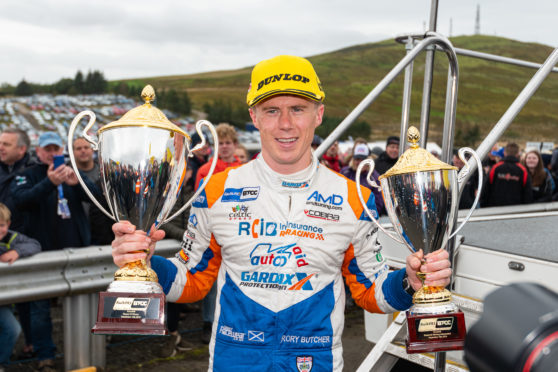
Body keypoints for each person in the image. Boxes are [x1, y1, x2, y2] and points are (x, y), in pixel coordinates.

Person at [111, 55, 451, 371]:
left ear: (318, 114)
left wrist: (410, 281)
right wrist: (144, 262)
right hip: (236, 358)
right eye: (271, 110)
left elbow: (370, 292)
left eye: (298, 109)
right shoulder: (215, 190)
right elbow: (192, 283)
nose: (285, 124)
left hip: (313, 360)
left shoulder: (355, 197)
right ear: (254, 117)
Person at [10, 132, 97, 370]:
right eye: (46, 150)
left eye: (56, 149)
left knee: (82, 306)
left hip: (76, 249)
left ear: (62, 151)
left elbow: (98, 197)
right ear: (37, 152)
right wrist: (49, 183)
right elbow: (20, 201)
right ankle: (44, 357)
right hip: (42, 253)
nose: (52, 154)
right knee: (40, 310)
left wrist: (78, 183)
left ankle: (84, 353)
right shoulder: (27, 175)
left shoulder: (72, 172)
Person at [0, 203, 41, 370]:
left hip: (5, 299)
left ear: (8, 224)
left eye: (1, 225)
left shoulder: (12, 237)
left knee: (12, 329)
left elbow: (35, 245)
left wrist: (17, 252)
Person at [72, 136, 113, 245]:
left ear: (92, 149)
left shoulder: (105, 173)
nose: (83, 151)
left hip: (105, 235)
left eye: (86, 147)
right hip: (78, 234)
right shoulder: (66, 174)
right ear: (72, 152)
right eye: (78, 148)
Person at [481, 142, 533, 207]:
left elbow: (485, 190)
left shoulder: (495, 168)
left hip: (495, 209)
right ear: (517, 154)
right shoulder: (523, 170)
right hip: (516, 210)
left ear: (504, 153)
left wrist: (484, 207)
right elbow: (528, 194)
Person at [340, 143, 385, 215]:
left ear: (368, 160)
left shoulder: (375, 177)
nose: (360, 163)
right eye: (357, 159)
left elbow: (378, 204)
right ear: (353, 160)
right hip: (345, 214)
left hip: (365, 217)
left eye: (363, 159)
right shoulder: (345, 172)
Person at [194, 123, 242, 190]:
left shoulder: (242, 169)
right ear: (215, 146)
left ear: (235, 144)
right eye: (220, 143)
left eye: (228, 143)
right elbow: (199, 198)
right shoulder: (205, 171)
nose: (224, 146)